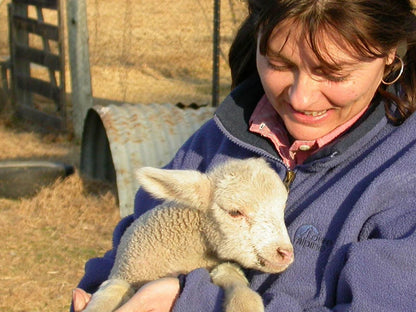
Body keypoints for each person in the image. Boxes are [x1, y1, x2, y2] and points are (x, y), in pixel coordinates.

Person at [72, 0, 416, 311]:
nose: (301, 99)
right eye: (280, 64)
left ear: (389, 53)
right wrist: (99, 294)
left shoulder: (404, 172)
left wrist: (191, 302)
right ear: (258, 36)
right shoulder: (222, 136)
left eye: (333, 73)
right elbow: (142, 238)